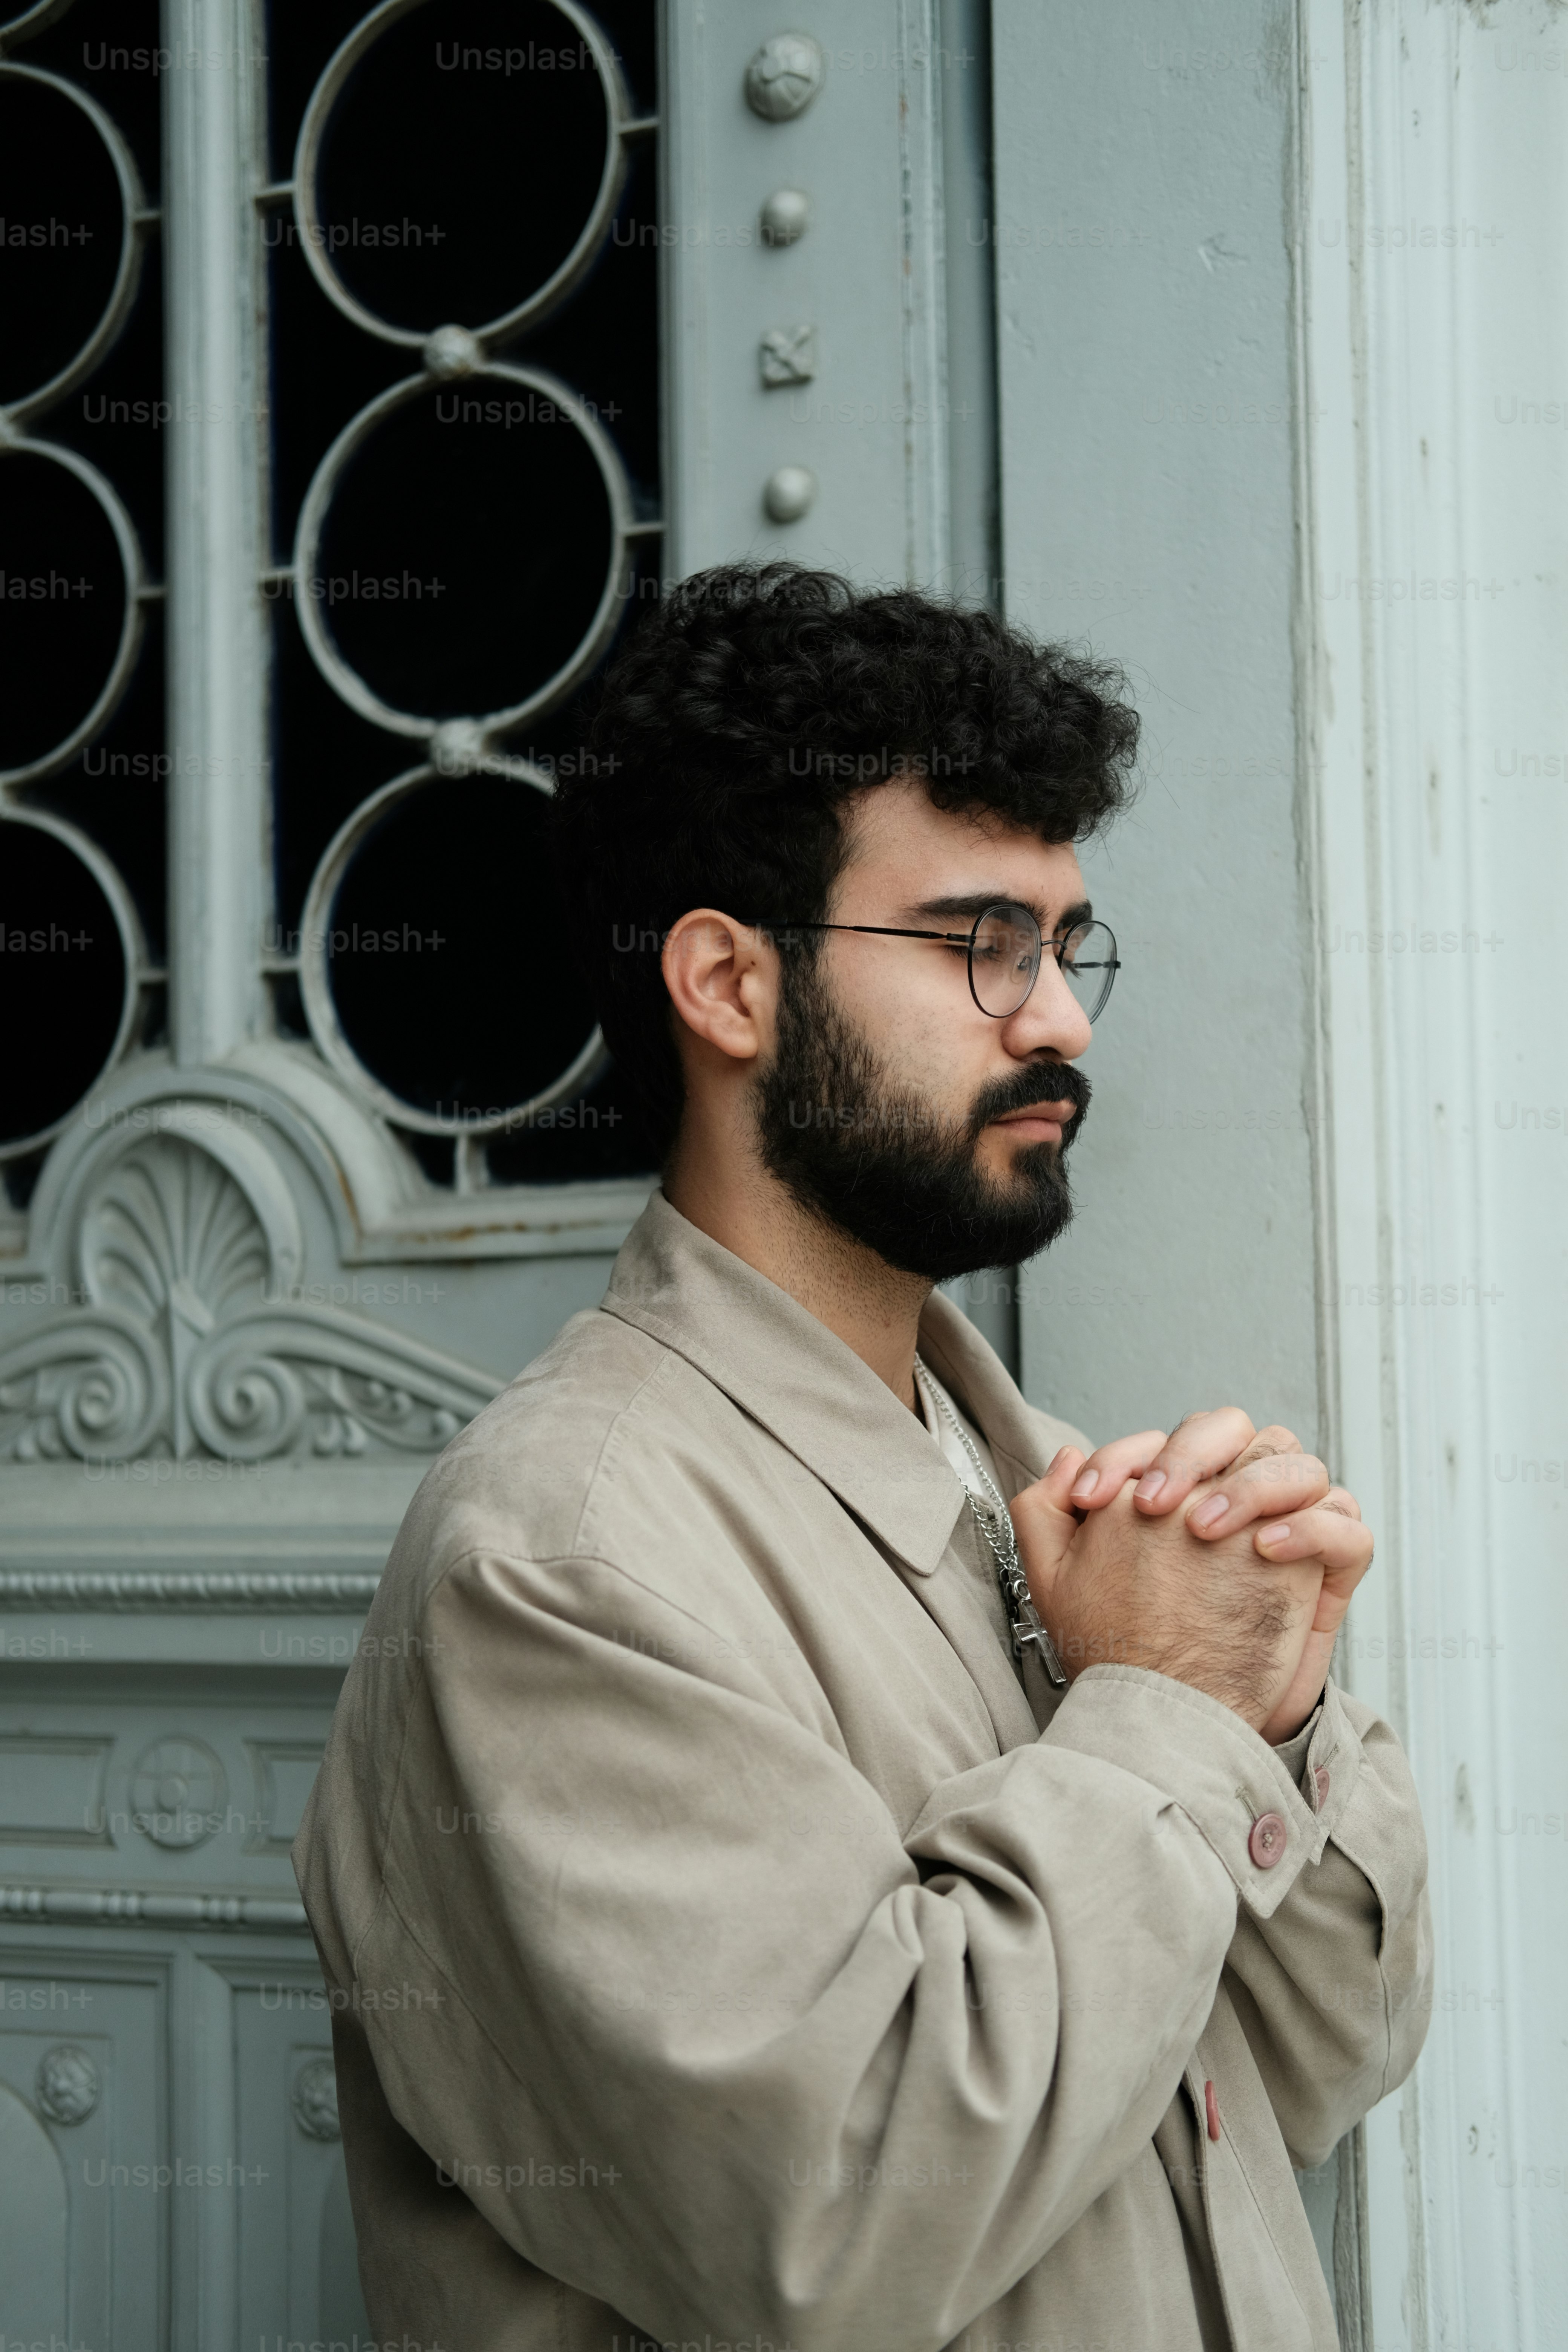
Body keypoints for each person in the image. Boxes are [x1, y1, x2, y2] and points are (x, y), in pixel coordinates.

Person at [295, 564, 1430, 2352]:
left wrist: (1264, 1713)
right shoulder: (555, 1561)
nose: (1055, 1016)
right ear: (729, 985)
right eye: (981, 942)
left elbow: (1319, 2069)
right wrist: (1155, 1715)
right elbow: (835, 2226)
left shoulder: (1059, 1498)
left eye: (1067, 946)